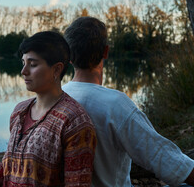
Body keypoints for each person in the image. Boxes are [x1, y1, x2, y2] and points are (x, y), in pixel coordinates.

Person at [0, 31, 97, 187]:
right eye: (23, 63)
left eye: (32, 64)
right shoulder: (20, 111)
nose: (23, 71)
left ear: (56, 69)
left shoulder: (74, 122)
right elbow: (8, 168)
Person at [62, 16, 194, 187]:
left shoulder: (56, 97)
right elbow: (164, 159)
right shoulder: (115, 104)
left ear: (69, 58)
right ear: (106, 52)